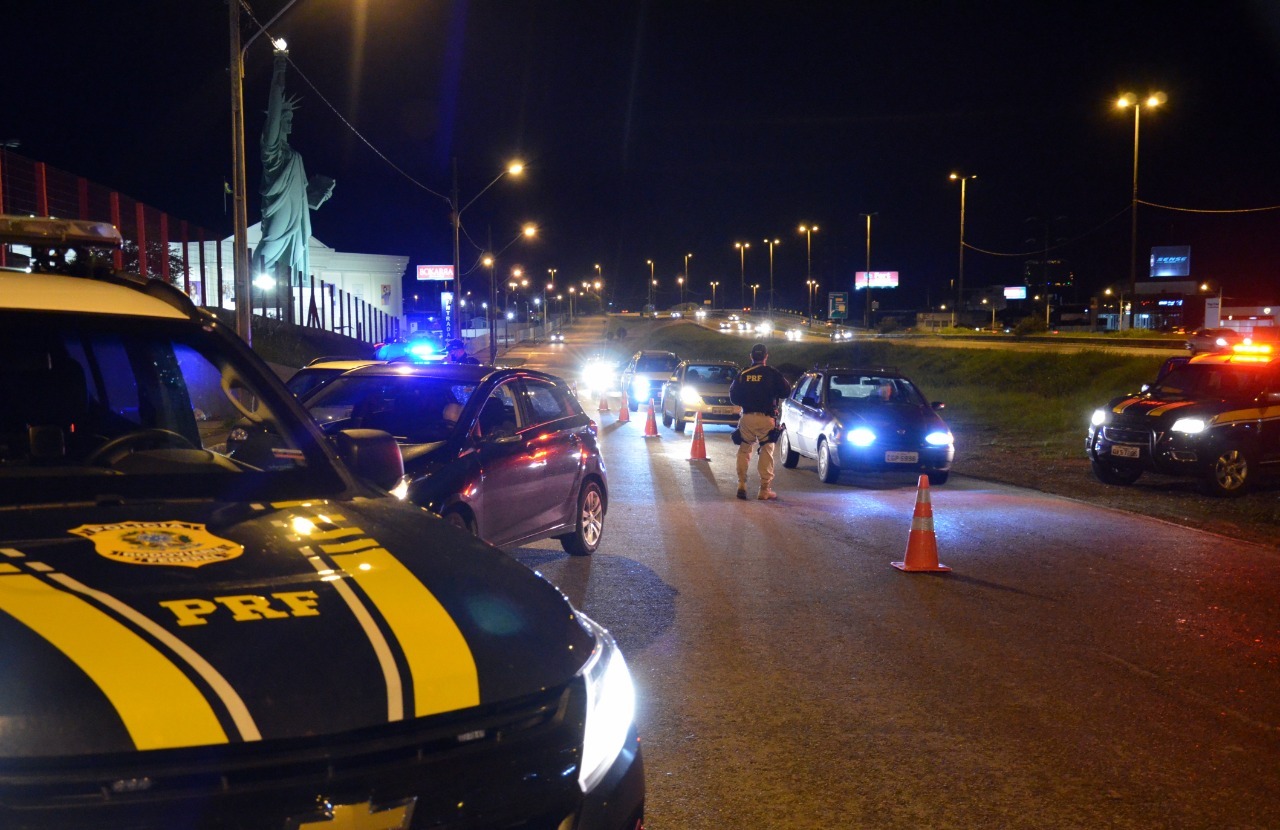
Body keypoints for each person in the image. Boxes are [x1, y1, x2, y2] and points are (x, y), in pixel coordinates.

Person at [728, 342, 792, 501]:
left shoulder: (743, 374)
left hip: (747, 417)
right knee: (766, 450)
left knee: (744, 449)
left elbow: (733, 397)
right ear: (766, 356)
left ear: (751, 357)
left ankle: (741, 484)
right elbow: (786, 392)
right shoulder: (772, 373)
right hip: (767, 418)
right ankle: (764, 489)